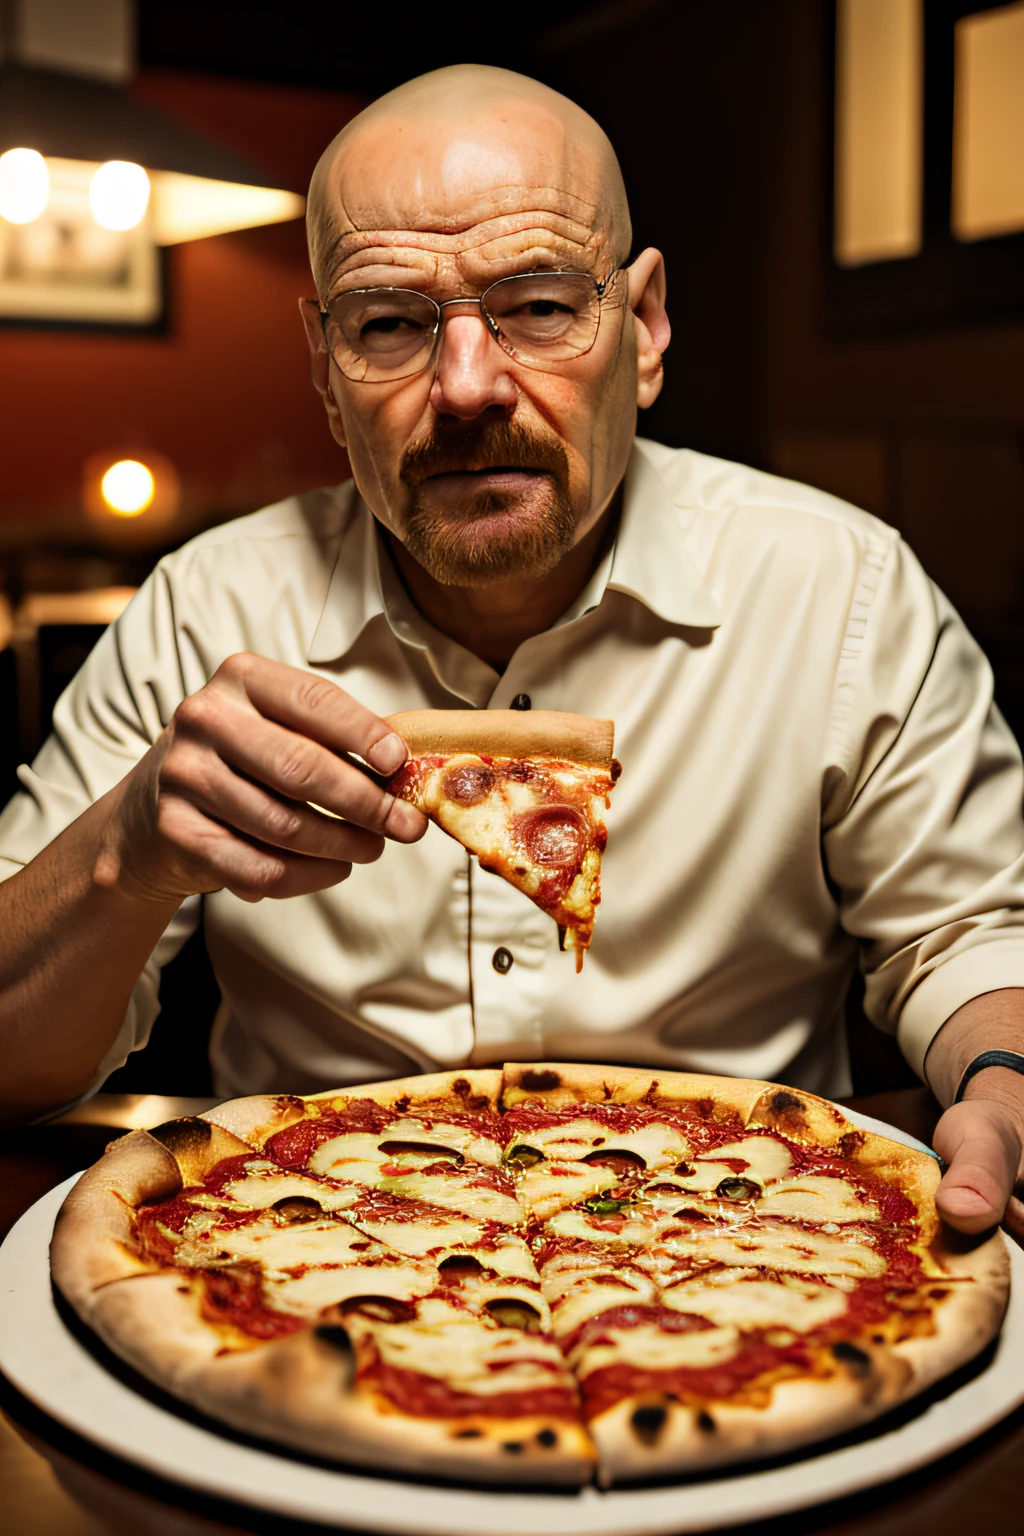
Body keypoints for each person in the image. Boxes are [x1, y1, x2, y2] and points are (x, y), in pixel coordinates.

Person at [0, 66, 1021, 1244]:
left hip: (755, 1239)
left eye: (537, 306)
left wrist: (1002, 1085)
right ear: (326, 371)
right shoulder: (203, 607)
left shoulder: (843, 586)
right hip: (299, 1247)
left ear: (640, 331)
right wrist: (125, 853)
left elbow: (970, 933)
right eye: (389, 323)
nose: (468, 386)